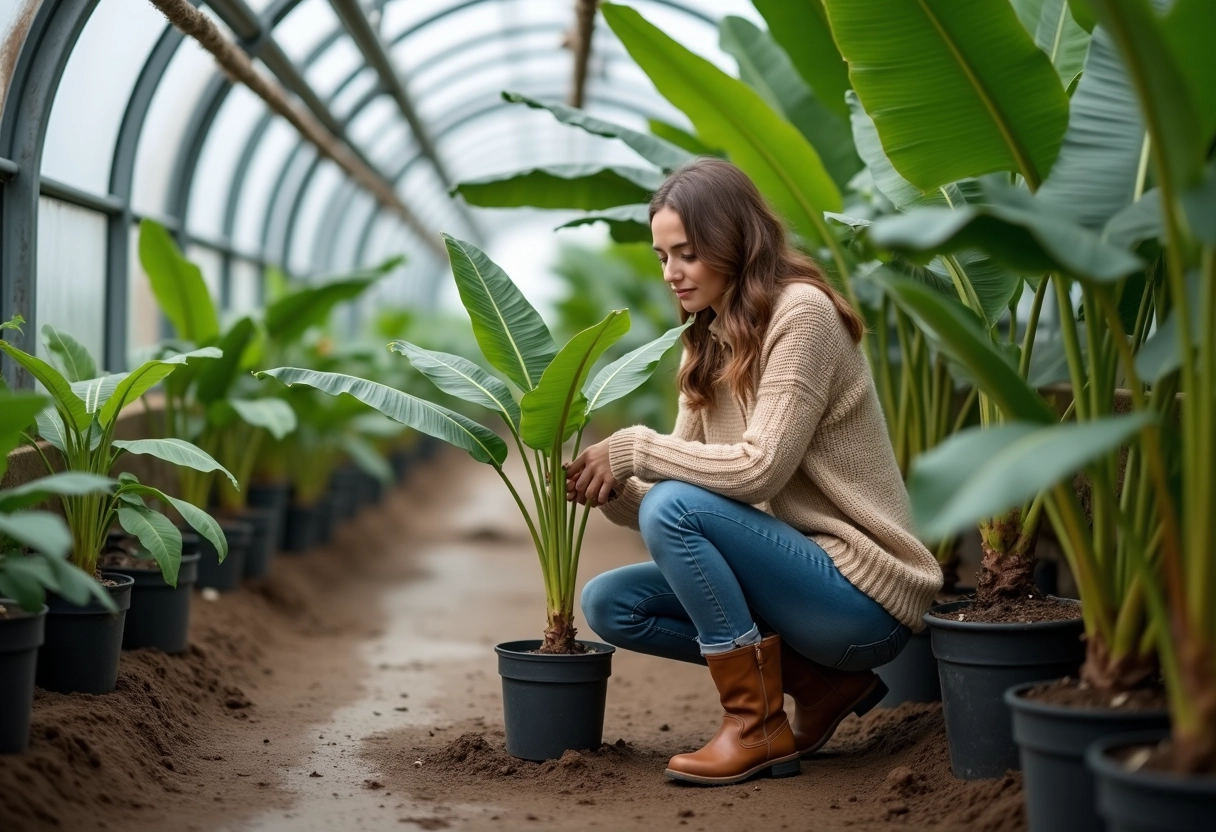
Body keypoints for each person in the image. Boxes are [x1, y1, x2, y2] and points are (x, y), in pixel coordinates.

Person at [564, 158, 942, 786]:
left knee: (674, 508)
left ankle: (755, 726)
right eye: (661, 257)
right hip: (796, 584)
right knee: (611, 603)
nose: (670, 274)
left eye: (685, 253)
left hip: (861, 595)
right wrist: (602, 484)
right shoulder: (707, 337)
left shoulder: (802, 314)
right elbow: (666, 494)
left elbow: (757, 471)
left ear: (732, 239)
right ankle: (821, 688)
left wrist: (632, 449)